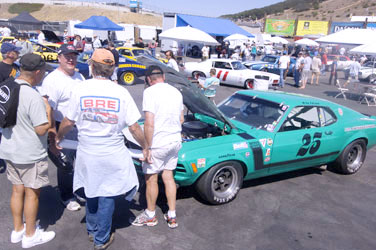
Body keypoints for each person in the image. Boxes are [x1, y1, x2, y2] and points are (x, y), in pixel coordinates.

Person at [56, 49, 148, 249]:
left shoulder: (80, 89)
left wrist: (59, 136)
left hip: (88, 151)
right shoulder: (121, 92)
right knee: (106, 194)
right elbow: (134, 126)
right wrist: (145, 146)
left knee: (91, 190)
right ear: (112, 68)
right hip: (111, 152)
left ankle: (92, 229)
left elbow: (68, 120)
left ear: (91, 65)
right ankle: (101, 238)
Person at [0, 53, 55, 248]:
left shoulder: (7, 86)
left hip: (9, 148)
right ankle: (30, 235)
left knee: (17, 190)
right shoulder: (32, 95)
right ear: (38, 72)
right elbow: (41, 129)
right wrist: (48, 110)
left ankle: (18, 230)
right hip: (29, 153)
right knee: (32, 193)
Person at [132, 65, 184, 229]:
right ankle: (172, 216)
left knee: (151, 179)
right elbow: (181, 119)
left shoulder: (149, 92)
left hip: (158, 143)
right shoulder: (176, 92)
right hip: (175, 141)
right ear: (163, 77)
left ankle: (150, 215)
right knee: (169, 177)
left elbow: (149, 123)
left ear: (148, 79)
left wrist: (147, 147)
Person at [37, 44, 84, 211]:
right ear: (59, 58)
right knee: (66, 164)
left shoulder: (79, 76)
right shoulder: (52, 80)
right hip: (62, 127)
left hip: (81, 126)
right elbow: (47, 110)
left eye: (74, 56)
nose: (71, 59)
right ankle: (67, 195)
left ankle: (78, 190)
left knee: (82, 162)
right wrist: (53, 136)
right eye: (67, 56)